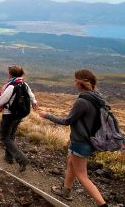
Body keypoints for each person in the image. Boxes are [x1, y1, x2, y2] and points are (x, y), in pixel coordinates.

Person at [39, 69, 107, 206]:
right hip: (88, 140)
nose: (75, 83)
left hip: (80, 142)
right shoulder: (97, 97)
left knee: (82, 176)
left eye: (76, 80)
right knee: (71, 163)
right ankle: (66, 191)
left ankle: (103, 205)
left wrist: (47, 115)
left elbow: (67, 121)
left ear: (81, 83)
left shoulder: (82, 101)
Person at [0, 65, 38, 172]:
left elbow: (2, 100)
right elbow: (31, 95)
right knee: (11, 135)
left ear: (11, 74)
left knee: (4, 137)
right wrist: (34, 103)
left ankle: (22, 159)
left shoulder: (11, 86)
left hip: (10, 114)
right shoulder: (24, 84)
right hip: (20, 114)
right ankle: (9, 157)